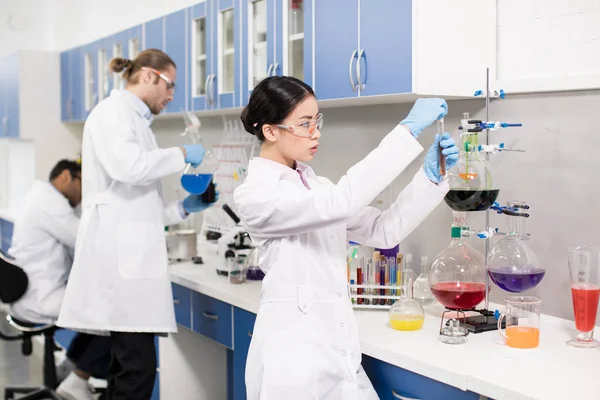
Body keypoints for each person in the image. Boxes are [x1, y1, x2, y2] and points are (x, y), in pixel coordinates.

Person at [233, 76, 459, 399]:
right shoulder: (256, 195)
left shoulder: (318, 188)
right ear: (270, 130)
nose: (316, 132)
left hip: (340, 361)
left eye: (317, 121)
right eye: (304, 124)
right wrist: (407, 132)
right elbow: (342, 202)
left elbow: (384, 230)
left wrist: (429, 178)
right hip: (294, 370)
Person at [56, 49, 218, 400]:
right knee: (136, 372)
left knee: (126, 369)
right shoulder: (113, 113)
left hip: (130, 258)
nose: (172, 95)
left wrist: (184, 209)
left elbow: (140, 208)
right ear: (148, 75)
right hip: (121, 266)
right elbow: (129, 169)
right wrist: (180, 155)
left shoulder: (135, 122)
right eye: (170, 85)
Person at [9, 159, 113, 400]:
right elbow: (82, 239)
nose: (83, 191)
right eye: (82, 183)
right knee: (114, 317)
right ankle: (78, 380)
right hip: (40, 297)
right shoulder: (49, 203)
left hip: (32, 292)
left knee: (96, 312)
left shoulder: (41, 197)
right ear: (66, 176)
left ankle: (69, 368)